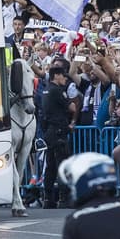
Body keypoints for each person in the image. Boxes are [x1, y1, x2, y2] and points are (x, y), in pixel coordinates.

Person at [41, 63, 77, 208]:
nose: (65, 79)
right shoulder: (57, 90)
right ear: (56, 75)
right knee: (62, 164)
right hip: (59, 131)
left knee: (50, 166)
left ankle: (48, 198)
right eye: (63, 75)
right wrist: (74, 100)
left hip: (49, 131)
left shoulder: (46, 90)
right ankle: (64, 198)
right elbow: (72, 107)